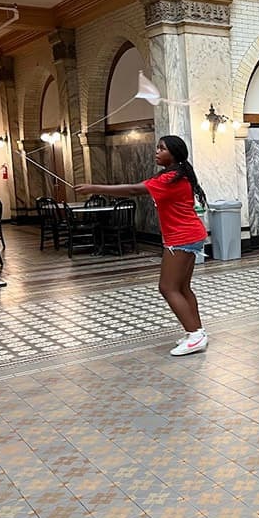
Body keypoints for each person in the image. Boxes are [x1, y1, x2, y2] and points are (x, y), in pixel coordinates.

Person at [76, 135, 209, 356]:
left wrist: (94, 187)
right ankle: (196, 332)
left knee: (167, 287)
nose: (157, 151)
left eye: (162, 148)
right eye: (157, 147)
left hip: (182, 237)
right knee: (182, 287)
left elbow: (133, 191)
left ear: (174, 153)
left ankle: (195, 335)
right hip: (189, 234)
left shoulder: (171, 178)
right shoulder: (174, 175)